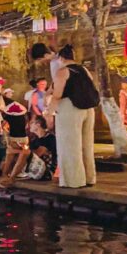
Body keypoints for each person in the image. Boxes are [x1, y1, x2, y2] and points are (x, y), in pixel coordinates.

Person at [43, 45, 99, 188]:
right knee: (86, 145)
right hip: (88, 109)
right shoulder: (84, 70)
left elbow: (57, 95)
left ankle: (73, 181)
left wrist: (49, 112)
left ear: (61, 58)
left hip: (70, 109)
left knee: (69, 145)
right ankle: (89, 178)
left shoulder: (62, 71)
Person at [0, 98, 31, 186]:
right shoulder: (24, 117)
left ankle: (6, 178)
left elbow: (4, 130)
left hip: (13, 138)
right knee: (15, 155)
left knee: (9, 156)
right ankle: (9, 178)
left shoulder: (6, 118)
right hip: (24, 139)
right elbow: (26, 128)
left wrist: (8, 142)